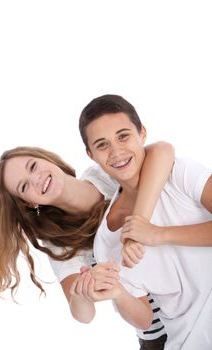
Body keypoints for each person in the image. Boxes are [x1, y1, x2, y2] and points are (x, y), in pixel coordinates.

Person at [0, 142, 174, 348]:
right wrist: (83, 292)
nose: (36, 179)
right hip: (162, 335)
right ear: (30, 203)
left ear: (46, 158)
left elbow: (162, 154)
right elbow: (83, 315)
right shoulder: (57, 240)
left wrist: (137, 232)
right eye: (24, 186)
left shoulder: (103, 173)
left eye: (33, 166)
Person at [78, 94, 212, 349]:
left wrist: (158, 234)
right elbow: (144, 318)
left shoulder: (180, 173)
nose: (116, 151)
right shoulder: (106, 242)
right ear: (91, 155)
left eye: (123, 136)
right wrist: (117, 292)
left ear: (142, 133)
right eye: (102, 144)